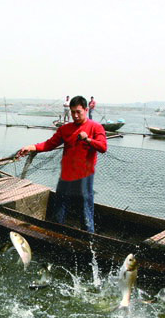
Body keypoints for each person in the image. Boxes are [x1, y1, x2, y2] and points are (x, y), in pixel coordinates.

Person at [15, 96, 107, 232]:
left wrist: (87, 139)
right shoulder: (65, 129)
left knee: (85, 211)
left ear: (86, 110)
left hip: (84, 176)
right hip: (66, 175)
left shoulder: (96, 127)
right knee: (59, 208)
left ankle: (88, 239)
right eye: (72, 112)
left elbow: (103, 147)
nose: (75, 116)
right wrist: (32, 147)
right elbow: (49, 144)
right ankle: (56, 235)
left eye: (78, 112)